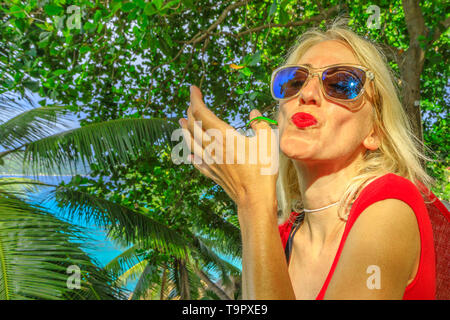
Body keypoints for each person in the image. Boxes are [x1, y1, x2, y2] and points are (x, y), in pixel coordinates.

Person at [178, 20, 438, 299]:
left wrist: (252, 200)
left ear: (374, 131)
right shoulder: (277, 239)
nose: (307, 94)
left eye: (341, 84)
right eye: (295, 82)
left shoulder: (391, 202)